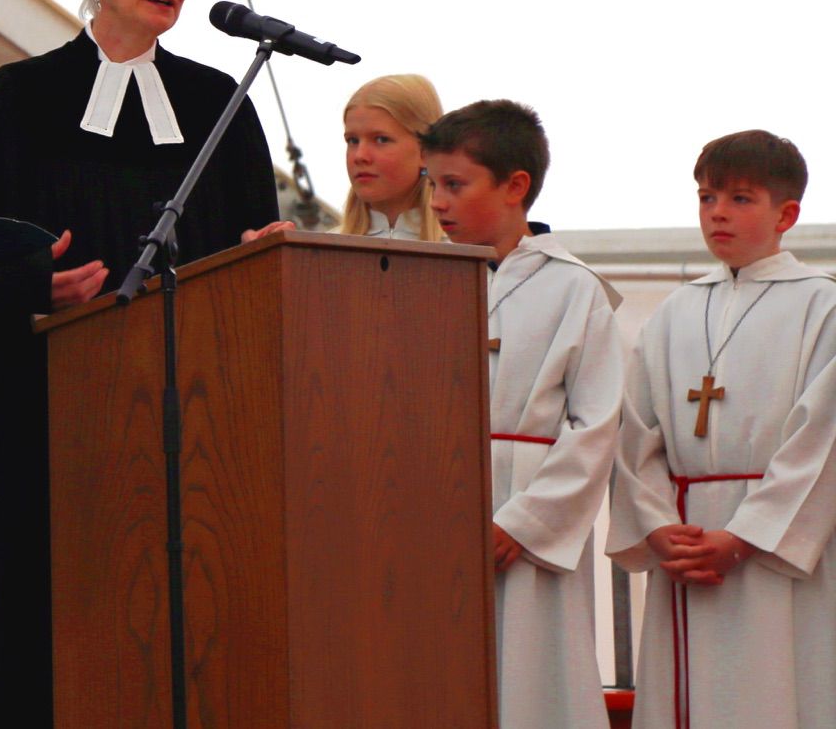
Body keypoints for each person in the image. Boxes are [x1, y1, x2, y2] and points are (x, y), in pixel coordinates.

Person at [0, 0, 286, 724]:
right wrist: (28, 289)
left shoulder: (218, 104)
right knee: (56, 621)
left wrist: (259, 261)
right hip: (58, 416)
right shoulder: (17, 100)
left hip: (199, 425)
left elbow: (253, 246)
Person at [607, 130, 836, 729]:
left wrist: (742, 538)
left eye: (740, 198)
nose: (718, 214)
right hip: (686, 541)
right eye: (707, 198)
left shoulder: (823, 308)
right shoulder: (673, 314)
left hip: (778, 548)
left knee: (778, 690)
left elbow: (823, 443)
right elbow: (636, 436)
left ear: (787, 213)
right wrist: (658, 526)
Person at [420, 100, 624, 729]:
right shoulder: (419, 279)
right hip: (434, 511)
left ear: (516, 187)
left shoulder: (574, 287)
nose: (438, 203)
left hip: (533, 523)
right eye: (432, 185)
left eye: (455, 185)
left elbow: (596, 423)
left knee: (538, 686)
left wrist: (526, 523)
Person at [337, 73, 446, 241]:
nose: (360, 156)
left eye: (381, 139)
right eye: (353, 141)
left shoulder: (471, 255)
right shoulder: (323, 252)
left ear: (425, 151)